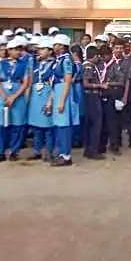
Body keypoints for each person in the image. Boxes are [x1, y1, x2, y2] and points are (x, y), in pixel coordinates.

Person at [0, 38, 31, 162]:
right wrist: (5, 96)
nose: (16, 52)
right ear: (8, 51)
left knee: (17, 124)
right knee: (2, 124)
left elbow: (25, 83)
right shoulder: (0, 64)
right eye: (14, 49)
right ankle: (0, 151)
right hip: (3, 94)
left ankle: (14, 151)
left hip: (17, 95)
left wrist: (14, 96)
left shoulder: (23, 65)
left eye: (18, 49)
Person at [49, 34, 78, 167]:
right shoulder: (58, 59)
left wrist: (61, 101)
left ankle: (66, 155)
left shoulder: (66, 60)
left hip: (63, 92)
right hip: (58, 90)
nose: (54, 47)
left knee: (64, 125)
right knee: (59, 125)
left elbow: (67, 81)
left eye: (56, 44)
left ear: (62, 46)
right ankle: (61, 152)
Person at [26, 37, 55, 161]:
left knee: (48, 126)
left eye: (43, 49)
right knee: (36, 125)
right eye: (39, 49)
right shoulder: (34, 62)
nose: (40, 51)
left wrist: (51, 100)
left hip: (47, 93)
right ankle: (37, 151)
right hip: (35, 95)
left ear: (50, 51)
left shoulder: (54, 64)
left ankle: (49, 151)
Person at [81, 46, 107, 161]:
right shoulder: (88, 66)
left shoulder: (90, 66)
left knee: (90, 124)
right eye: (97, 56)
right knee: (95, 124)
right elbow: (86, 83)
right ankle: (93, 150)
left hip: (91, 97)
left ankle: (89, 149)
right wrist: (100, 86)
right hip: (92, 96)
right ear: (94, 56)